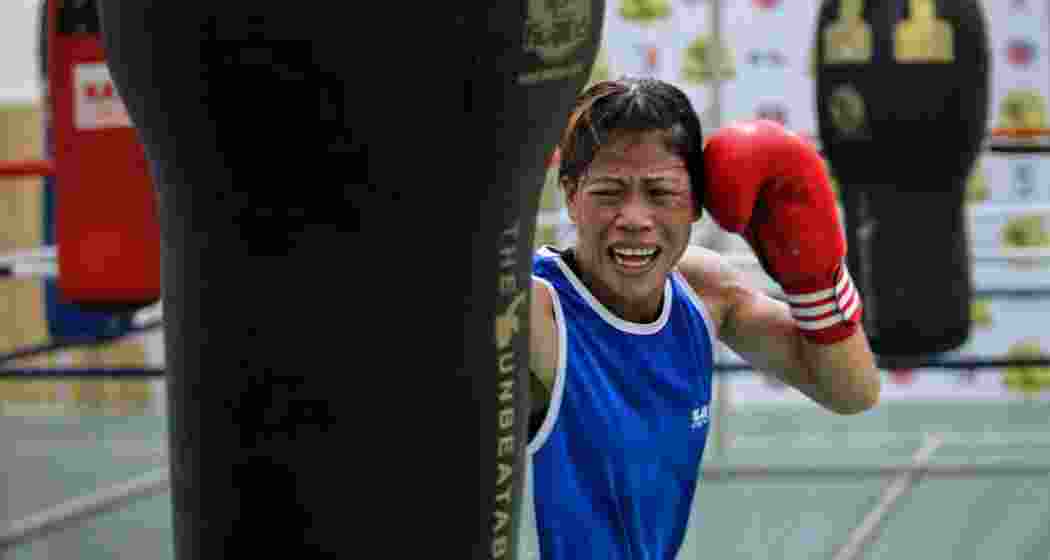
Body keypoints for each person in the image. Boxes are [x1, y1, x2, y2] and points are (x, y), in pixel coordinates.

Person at [523, 77, 882, 559]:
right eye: (608, 193)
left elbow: (853, 392)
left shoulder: (702, 292)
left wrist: (817, 280)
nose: (635, 218)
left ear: (695, 202)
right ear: (571, 195)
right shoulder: (533, 309)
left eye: (660, 193)